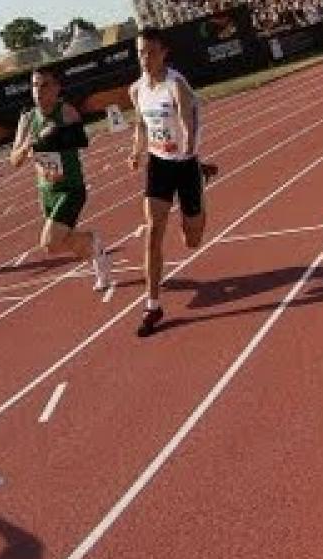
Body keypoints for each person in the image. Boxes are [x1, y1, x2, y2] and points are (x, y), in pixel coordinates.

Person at [127, 27, 217, 337]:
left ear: (164, 52)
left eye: (150, 52)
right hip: (159, 166)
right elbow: (140, 124)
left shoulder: (175, 84)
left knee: (192, 239)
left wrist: (189, 147)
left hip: (185, 164)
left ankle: (200, 184)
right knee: (153, 231)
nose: (144, 58)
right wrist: (137, 151)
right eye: (140, 52)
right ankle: (152, 305)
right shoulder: (137, 89)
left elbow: (186, 121)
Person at [10, 66, 113, 291]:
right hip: (46, 190)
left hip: (71, 188)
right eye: (35, 85)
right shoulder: (27, 120)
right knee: (60, 243)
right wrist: (30, 143)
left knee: (49, 242)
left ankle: (95, 246)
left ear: (57, 88)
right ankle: (95, 248)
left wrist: (55, 135)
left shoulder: (67, 112)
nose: (38, 90)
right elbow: (14, 161)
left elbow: (81, 141)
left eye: (45, 85)